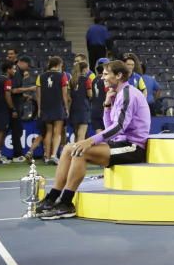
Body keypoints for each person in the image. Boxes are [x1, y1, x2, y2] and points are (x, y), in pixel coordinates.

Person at [36, 60, 152, 220]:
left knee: (81, 151)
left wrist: (90, 141)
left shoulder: (128, 94)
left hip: (133, 147)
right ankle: (52, 198)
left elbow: (118, 128)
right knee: (70, 148)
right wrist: (106, 105)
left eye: (106, 74)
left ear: (118, 76)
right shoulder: (117, 94)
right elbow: (109, 127)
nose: (102, 77)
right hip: (119, 143)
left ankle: (66, 203)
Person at [36, 56, 70, 164]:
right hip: (58, 107)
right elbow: (65, 95)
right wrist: (66, 108)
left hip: (46, 107)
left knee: (48, 132)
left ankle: (46, 157)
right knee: (57, 132)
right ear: (59, 64)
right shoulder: (62, 76)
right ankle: (54, 155)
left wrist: (39, 108)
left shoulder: (40, 76)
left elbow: (38, 95)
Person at [68, 61, 92, 143]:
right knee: (81, 134)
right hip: (83, 109)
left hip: (73, 108)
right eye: (88, 68)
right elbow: (90, 94)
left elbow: (69, 96)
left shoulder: (71, 80)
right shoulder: (87, 80)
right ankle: (77, 155)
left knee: (76, 134)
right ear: (85, 69)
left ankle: (74, 153)